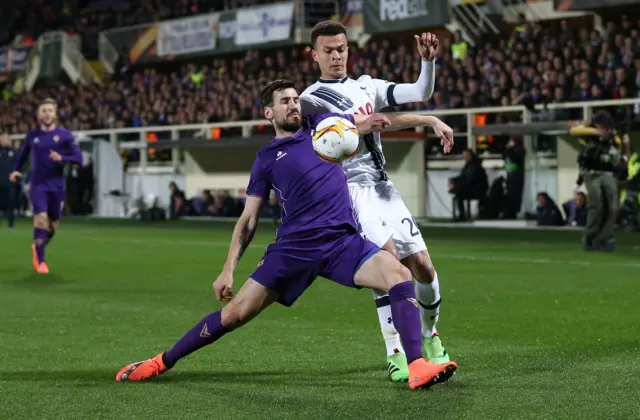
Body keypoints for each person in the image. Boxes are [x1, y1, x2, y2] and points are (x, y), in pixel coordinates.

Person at [115, 80, 458, 389]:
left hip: (341, 241)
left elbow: (374, 121)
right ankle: (162, 361)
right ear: (269, 112)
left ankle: (416, 365)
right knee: (235, 314)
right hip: (293, 249)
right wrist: (228, 268)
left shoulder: (326, 127)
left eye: (295, 99)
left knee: (398, 273)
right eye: (285, 101)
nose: (294, 104)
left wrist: (427, 120)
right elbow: (248, 220)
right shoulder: (266, 159)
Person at [299, 20, 453, 382]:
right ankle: (395, 352)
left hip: (383, 188)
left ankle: (430, 336)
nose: (336, 55)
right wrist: (365, 124)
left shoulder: (367, 85)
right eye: (328, 50)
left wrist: (427, 64)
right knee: (387, 266)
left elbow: (420, 90)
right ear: (314, 55)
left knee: (424, 268)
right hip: (349, 192)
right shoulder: (309, 100)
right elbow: (346, 131)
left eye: (341, 48)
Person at [10, 99, 83, 274]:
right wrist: (16, 170)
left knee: (52, 227)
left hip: (57, 186)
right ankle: (41, 262)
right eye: (44, 111)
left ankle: (37, 246)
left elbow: (79, 158)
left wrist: (62, 158)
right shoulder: (32, 136)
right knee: (40, 219)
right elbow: (22, 155)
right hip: (38, 185)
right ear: (38, 114)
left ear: (55, 114)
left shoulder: (64, 135)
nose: (47, 114)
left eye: (50, 110)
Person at [569, 111, 624, 251]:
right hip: (591, 173)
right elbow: (573, 131)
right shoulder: (588, 134)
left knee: (612, 208)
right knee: (596, 204)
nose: (605, 128)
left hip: (608, 173)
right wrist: (594, 131)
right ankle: (589, 236)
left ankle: (605, 238)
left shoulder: (613, 136)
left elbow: (618, 150)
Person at [0, 132, 16, 228]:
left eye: (7, 139)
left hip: (10, 183)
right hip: (0, 183)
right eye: (4, 139)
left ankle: (11, 223)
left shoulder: (14, 152)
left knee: (10, 203)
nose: (7, 141)